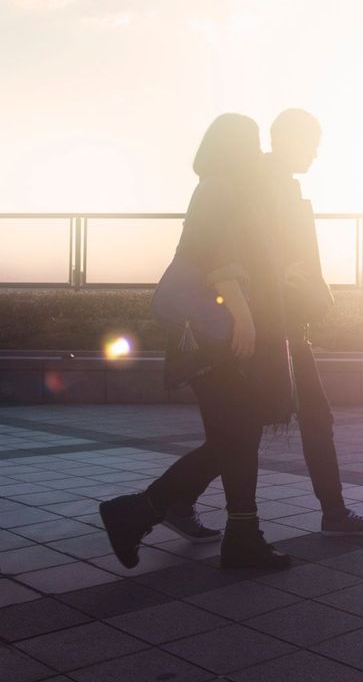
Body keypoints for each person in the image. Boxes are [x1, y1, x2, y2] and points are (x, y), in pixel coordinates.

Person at [159, 109, 363, 541]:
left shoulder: (282, 186)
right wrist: (266, 286)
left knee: (302, 419)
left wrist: (306, 290)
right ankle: (167, 501)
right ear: (283, 138)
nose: (316, 153)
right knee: (244, 431)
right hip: (265, 325)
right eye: (311, 143)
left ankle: (331, 511)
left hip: (285, 322)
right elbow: (230, 246)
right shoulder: (250, 181)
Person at [99, 113, 295, 570]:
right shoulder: (220, 188)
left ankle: (229, 532)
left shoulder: (218, 187)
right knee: (236, 439)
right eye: (252, 141)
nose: (258, 149)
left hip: (215, 334)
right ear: (234, 146)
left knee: (234, 439)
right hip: (219, 335)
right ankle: (141, 512)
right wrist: (243, 316)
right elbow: (216, 257)